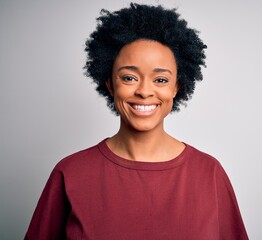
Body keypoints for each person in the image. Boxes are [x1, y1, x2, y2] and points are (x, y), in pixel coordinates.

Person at [25, 3, 248, 240]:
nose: (144, 91)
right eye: (129, 77)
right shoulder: (70, 173)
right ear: (110, 84)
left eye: (160, 80)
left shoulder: (209, 174)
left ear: (176, 88)